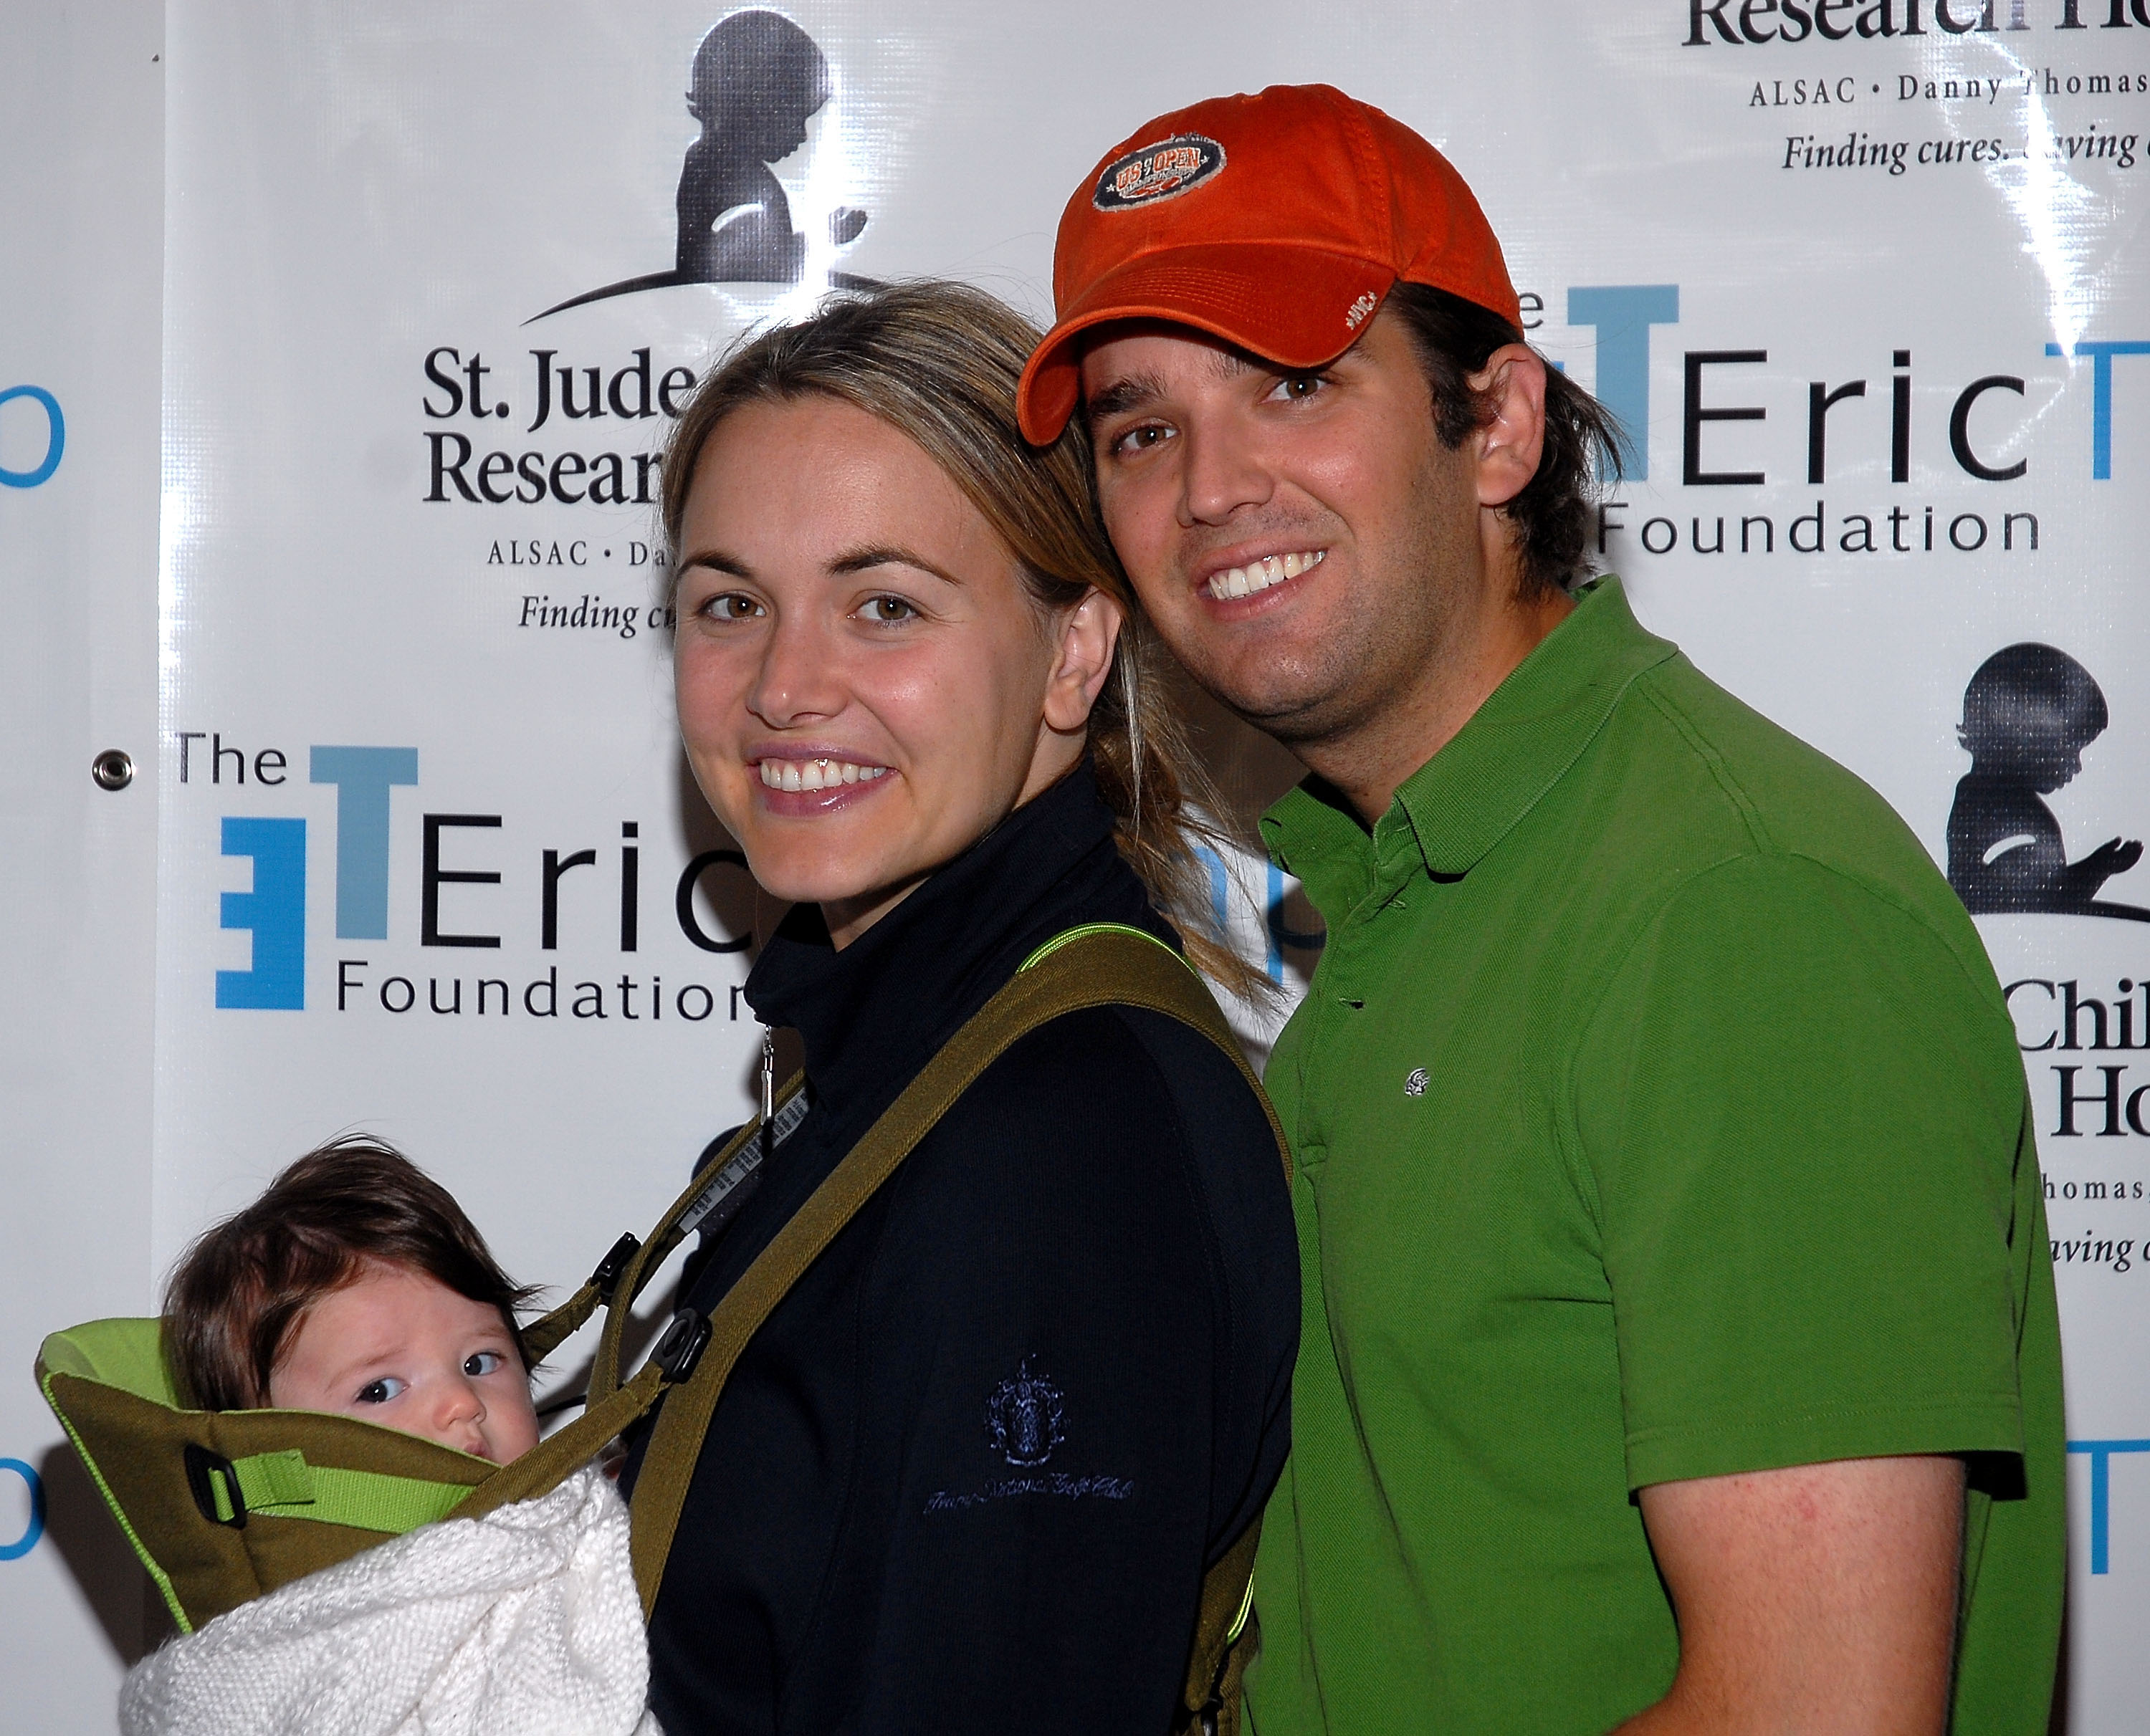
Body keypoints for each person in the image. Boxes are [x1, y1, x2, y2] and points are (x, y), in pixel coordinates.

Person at [1016, 82, 2066, 1735]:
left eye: (1294, 384)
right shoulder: (1407, 888)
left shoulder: (1728, 910)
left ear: (1496, 425)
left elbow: (1810, 1715)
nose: (1209, 487)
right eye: (1142, 428)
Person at [635, 279, 1299, 1733]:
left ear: (1074, 651)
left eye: (886, 605)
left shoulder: (1053, 1143)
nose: (786, 685)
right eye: (729, 602)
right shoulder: (918, 1050)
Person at [127, 1137, 654, 1736]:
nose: (461, 1402)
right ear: (265, 1449)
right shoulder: (288, 1649)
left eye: (481, 1361)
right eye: (379, 1389)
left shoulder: (587, 1523)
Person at [1947, 639, 2146, 917]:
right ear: (2026, 735)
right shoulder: (2004, 813)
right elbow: (2038, 906)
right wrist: (2098, 868)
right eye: (2071, 748)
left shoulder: (1980, 798)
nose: (2076, 766)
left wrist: (2098, 866)